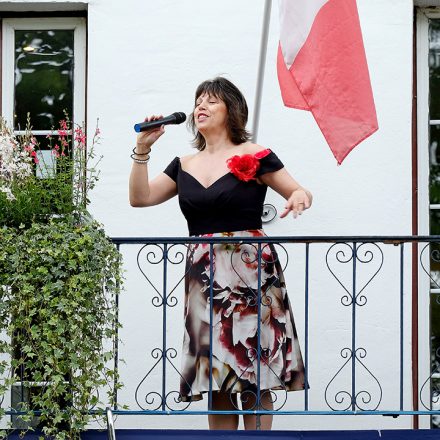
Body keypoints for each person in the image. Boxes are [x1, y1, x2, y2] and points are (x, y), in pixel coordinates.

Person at [129, 77, 312, 430]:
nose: (201, 106)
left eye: (211, 101)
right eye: (198, 99)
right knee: (217, 378)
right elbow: (140, 198)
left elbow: (298, 190)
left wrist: (299, 197)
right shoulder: (183, 164)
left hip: (251, 271)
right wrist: (143, 149)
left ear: (232, 110)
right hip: (205, 277)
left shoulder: (255, 155)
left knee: (254, 375)